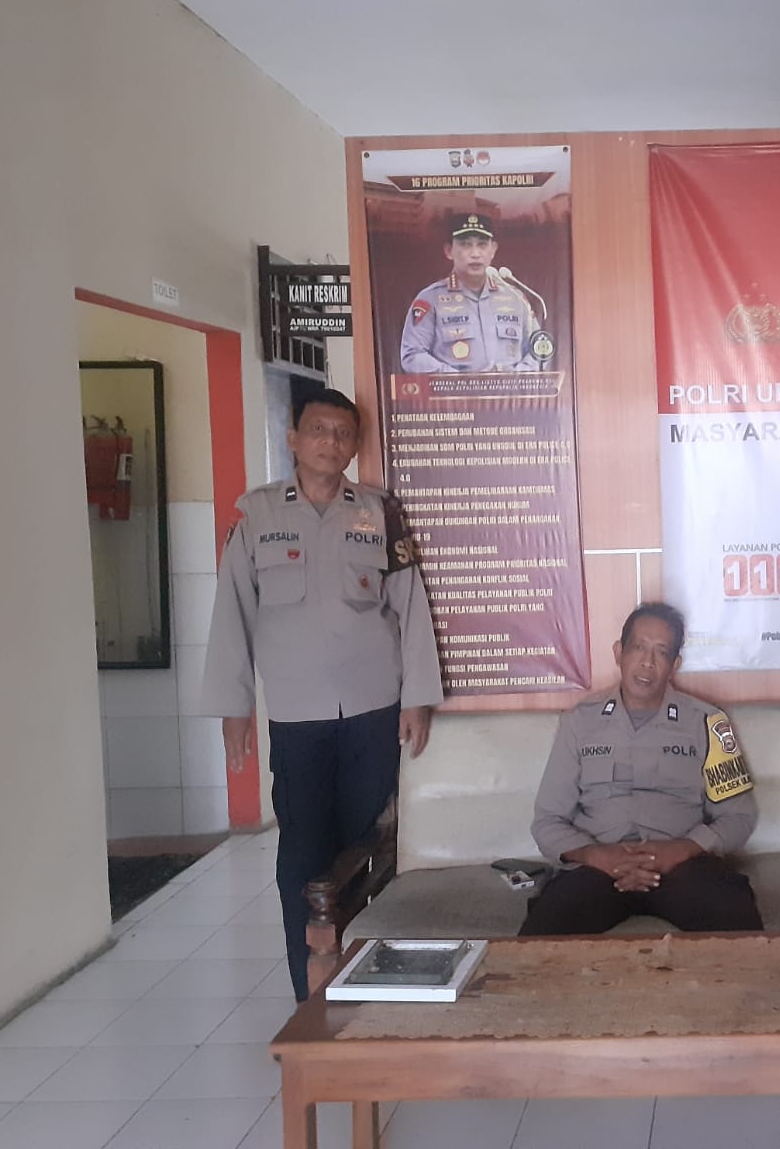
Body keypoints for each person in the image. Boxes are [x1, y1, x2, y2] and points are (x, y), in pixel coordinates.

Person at [199, 386, 444, 1000]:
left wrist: (417, 696)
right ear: (293, 439)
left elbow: (411, 608)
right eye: (318, 430)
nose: (330, 443)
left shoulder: (380, 513)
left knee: (364, 849)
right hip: (296, 718)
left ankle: (362, 981)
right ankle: (309, 993)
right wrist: (234, 707)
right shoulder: (256, 516)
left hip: (372, 712)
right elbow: (231, 614)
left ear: (355, 445)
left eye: (342, 433)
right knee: (303, 858)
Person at [519, 602, 763, 936]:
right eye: (638, 647)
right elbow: (547, 820)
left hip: (682, 866)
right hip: (599, 868)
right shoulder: (579, 722)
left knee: (739, 927)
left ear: (674, 665)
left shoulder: (708, 722)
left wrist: (683, 849)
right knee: (542, 934)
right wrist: (596, 856)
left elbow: (739, 816)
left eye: (661, 652)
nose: (648, 662)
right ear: (619, 653)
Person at [398, 212, 547, 373]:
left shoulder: (515, 297)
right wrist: (457, 379)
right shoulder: (430, 299)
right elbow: (412, 355)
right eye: (465, 244)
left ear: (493, 250)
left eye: (482, 244)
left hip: (510, 389)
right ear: (449, 250)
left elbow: (540, 347)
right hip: (454, 389)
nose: (475, 254)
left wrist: (520, 375)